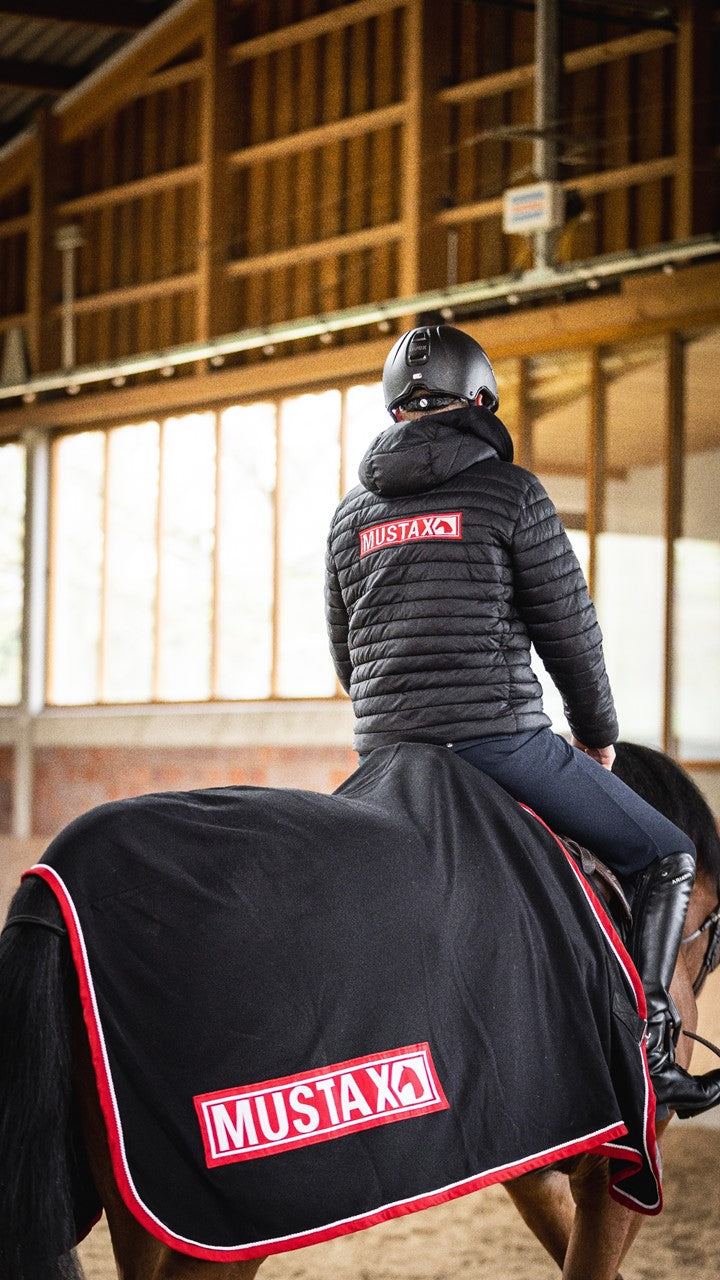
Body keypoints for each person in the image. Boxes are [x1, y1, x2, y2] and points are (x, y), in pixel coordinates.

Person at [325, 322, 720, 1118]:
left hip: (386, 763)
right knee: (670, 854)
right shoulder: (511, 494)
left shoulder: (349, 517)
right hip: (498, 746)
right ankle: (653, 1053)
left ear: (395, 407)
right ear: (481, 401)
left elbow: (348, 662)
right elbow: (571, 634)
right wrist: (598, 735)